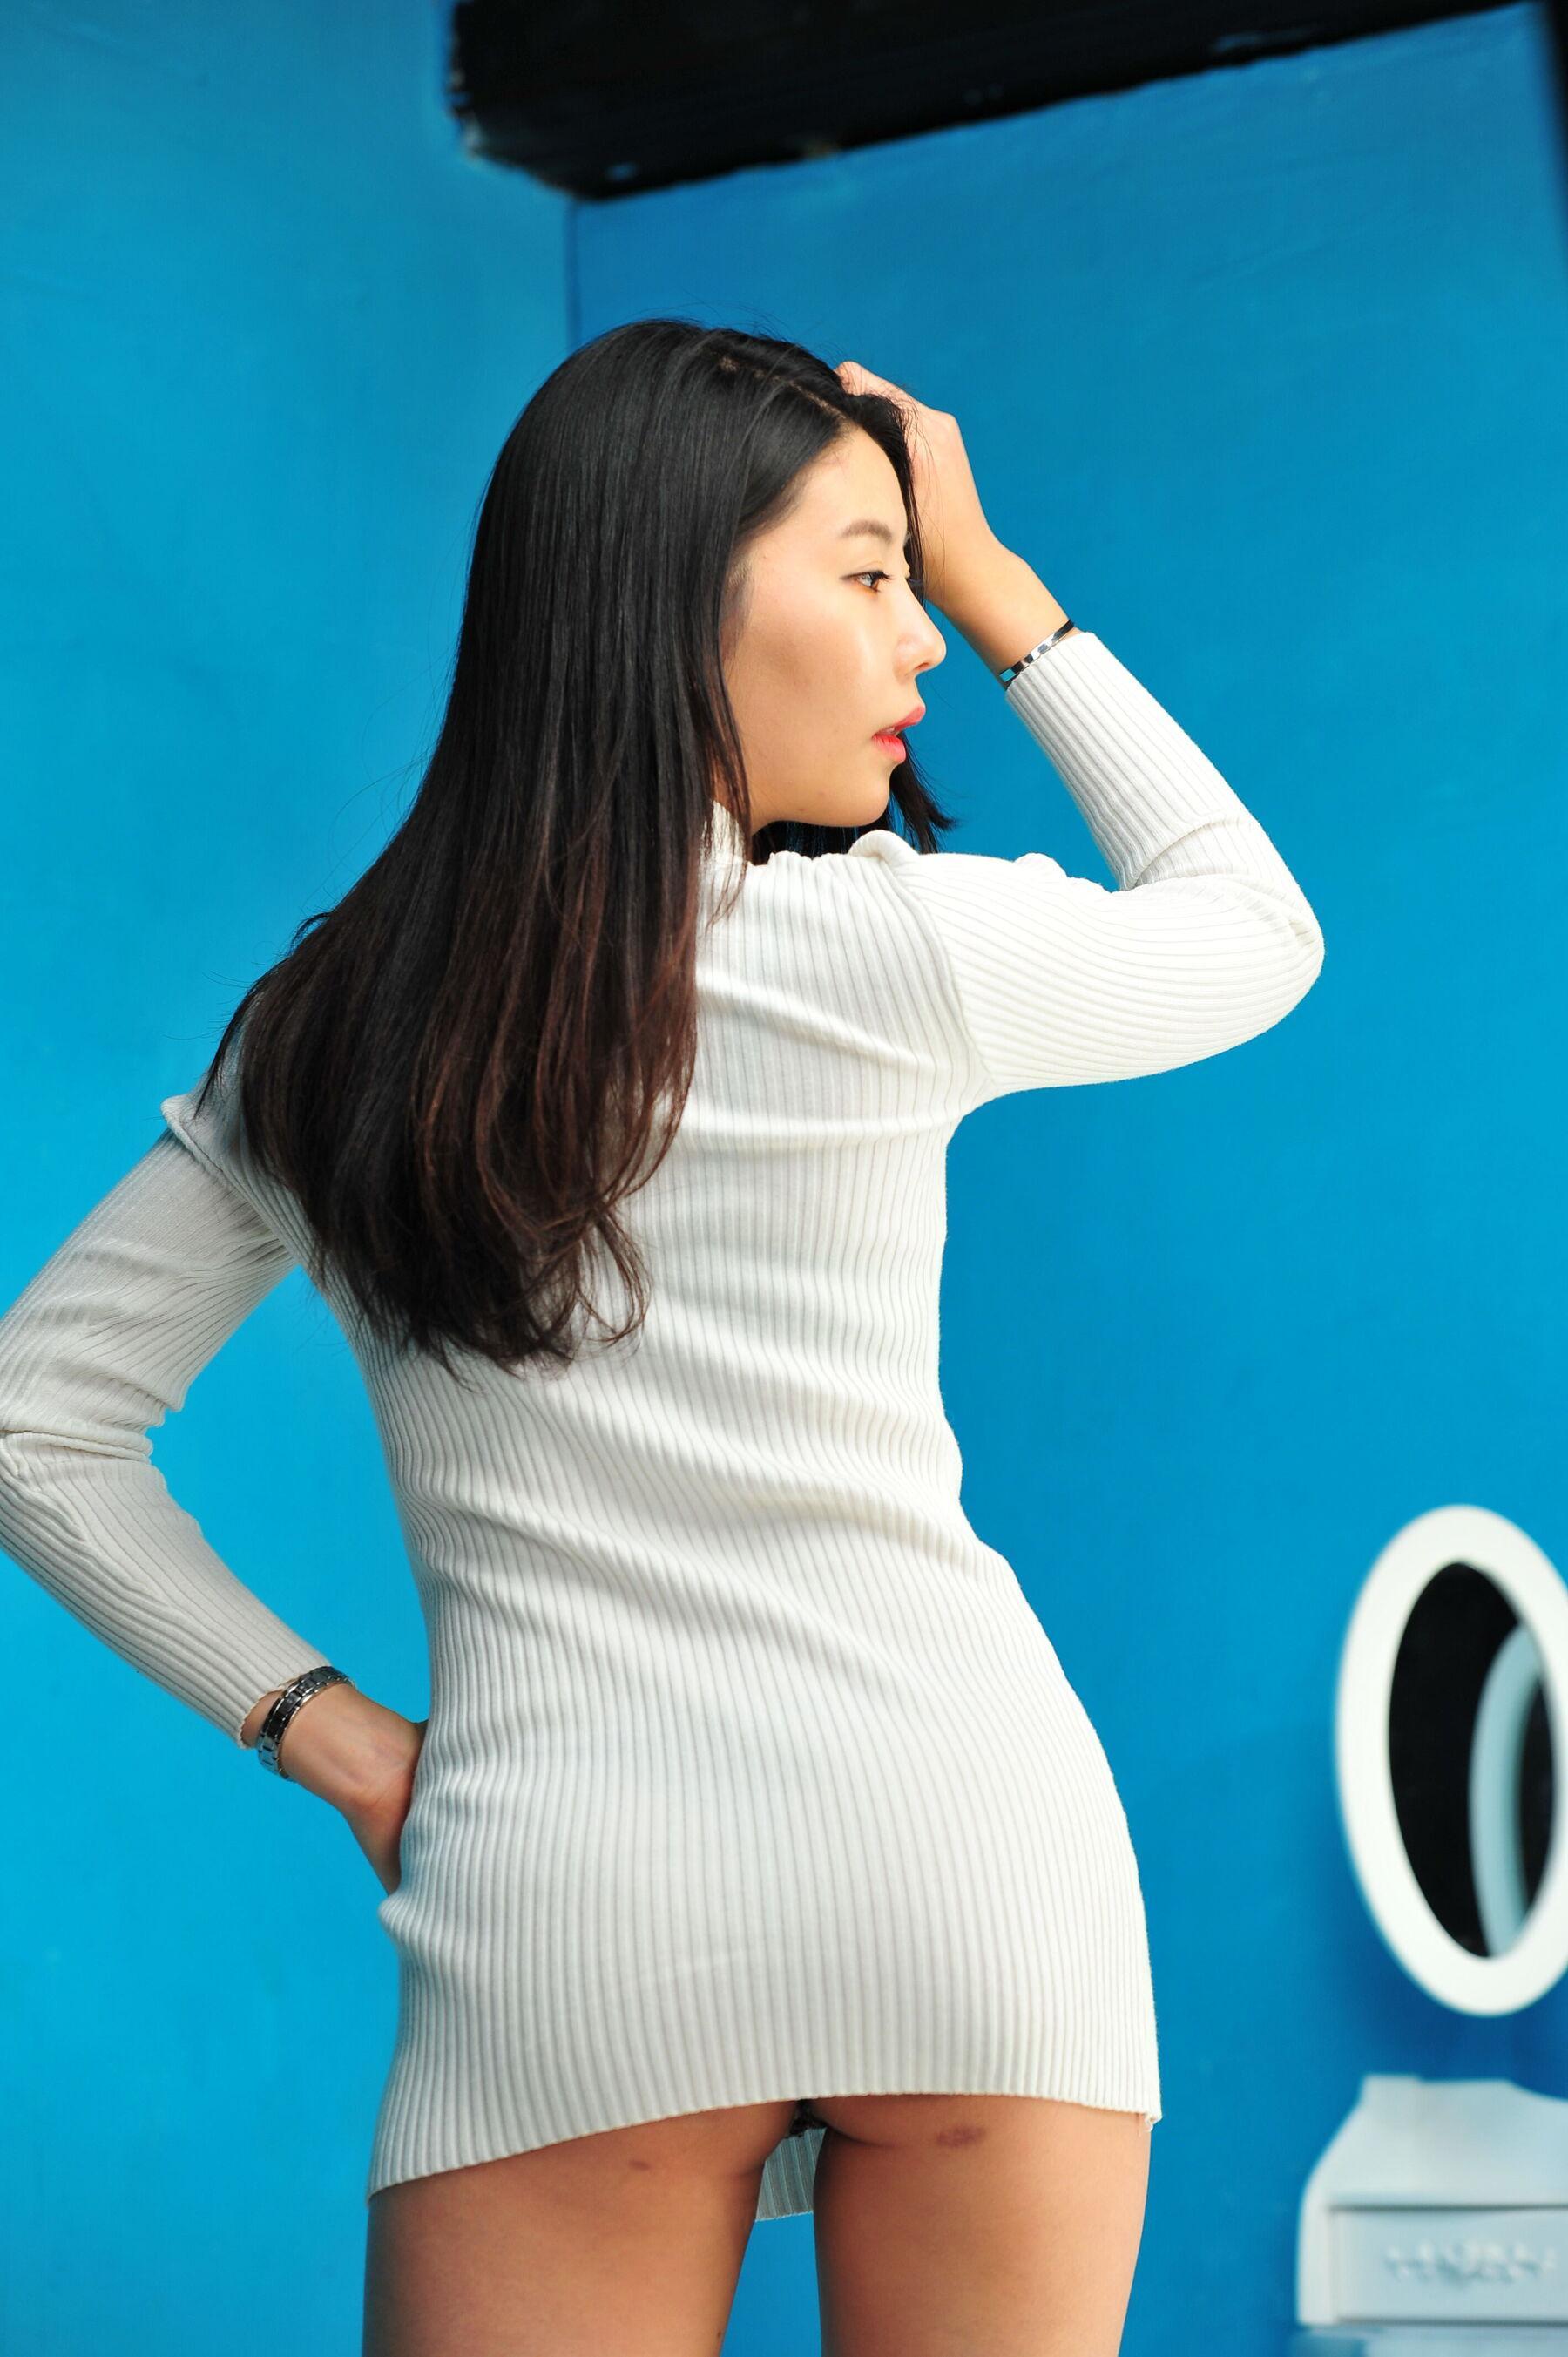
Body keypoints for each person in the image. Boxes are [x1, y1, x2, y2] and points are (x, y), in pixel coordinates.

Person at [0, 322, 1323, 2357]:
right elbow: (1254, 927)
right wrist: (1007, 584)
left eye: (922, 584)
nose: (920, 639)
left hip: (567, 1893)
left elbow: (33, 1426)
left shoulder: (331, 1038)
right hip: (969, 1859)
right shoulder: (900, 947)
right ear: (673, 598)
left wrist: (331, 1740)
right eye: (870, 575)